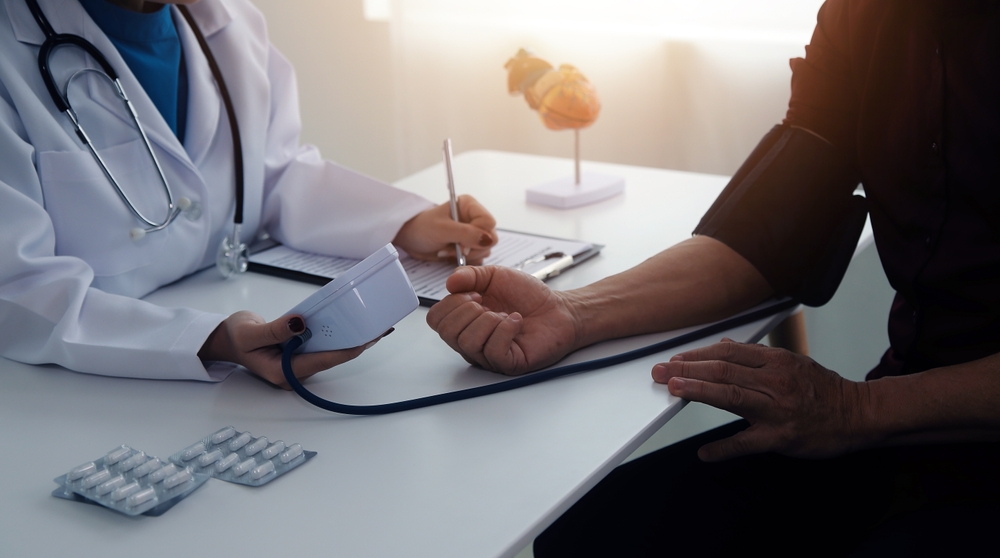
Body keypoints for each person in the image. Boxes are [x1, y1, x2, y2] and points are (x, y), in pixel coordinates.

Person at [427, 0, 1000, 554]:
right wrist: (574, 312)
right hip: (904, 418)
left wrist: (859, 411)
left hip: (934, 423)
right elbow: (764, 236)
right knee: (593, 531)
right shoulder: (862, 14)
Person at [0, 0, 497, 387]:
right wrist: (210, 339)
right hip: (78, 390)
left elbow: (271, 170)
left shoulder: (229, 20)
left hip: (222, 349)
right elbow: (18, 291)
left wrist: (405, 223)